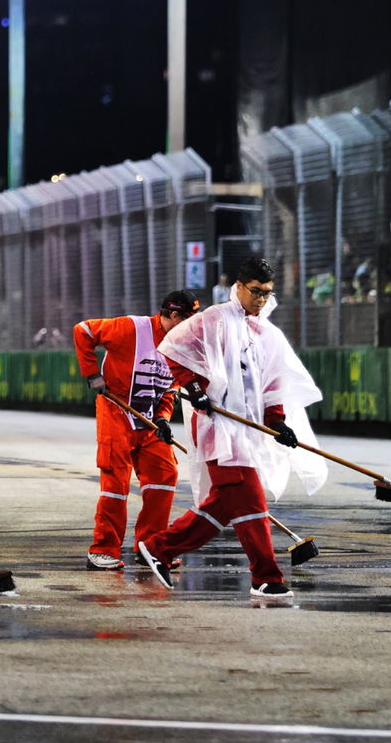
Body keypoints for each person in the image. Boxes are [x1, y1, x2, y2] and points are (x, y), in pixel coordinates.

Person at [134, 257, 326, 603]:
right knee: (252, 502)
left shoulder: (265, 332)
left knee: (223, 506)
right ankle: (266, 577)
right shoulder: (213, 319)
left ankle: (158, 547)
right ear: (239, 286)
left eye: (268, 293)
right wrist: (193, 390)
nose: (262, 300)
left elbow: (273, 382)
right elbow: (172, 349)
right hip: (219, 428)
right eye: (256, 292)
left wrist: (278, 420)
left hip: (248, 433)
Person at [73, 290, 200, 571]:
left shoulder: (182, 344)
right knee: (116, 481)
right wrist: (92, 373)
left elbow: (170, 389)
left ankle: (151, 547)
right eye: (188, 320)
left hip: (150, 420)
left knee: (165, 474)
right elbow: (83, 330)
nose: (193, 328)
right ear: (173, 315)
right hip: (116, 410)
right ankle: (102, 549)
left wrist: (165, 418)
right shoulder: (132, 328)